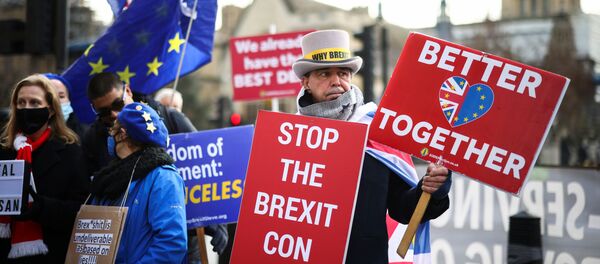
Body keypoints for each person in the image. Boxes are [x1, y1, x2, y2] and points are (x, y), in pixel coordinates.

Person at [291, 30, 452, 263]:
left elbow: (402, 209)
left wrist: (432, 190)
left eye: (343, 73)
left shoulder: (376, 129)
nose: (336, 81)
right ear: (306, 82)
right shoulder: (287, 136)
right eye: (325, 74)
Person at [83, 72, 228, 261]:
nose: (113, 116)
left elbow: (204, 168)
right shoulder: (99, 159)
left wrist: (217, 220)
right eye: (104, 114)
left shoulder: (163, 176)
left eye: (117, 106)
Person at [0, 74, 89, 263]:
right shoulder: (4, 151)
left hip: (51, 254)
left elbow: (81, 209)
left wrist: (42, 208)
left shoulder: (69, 152)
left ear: (50, 110)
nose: (26, 108)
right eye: (21, 102)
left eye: (34, 103)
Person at [88, 102, 187, 262]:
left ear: (122, 134)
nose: (110, 134)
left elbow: (171, 243)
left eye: (113, 128)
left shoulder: (164, 178)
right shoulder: (108, 177)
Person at [43, 73, 88, 140]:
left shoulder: (85, 135)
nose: (56, 101)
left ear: (69, 100)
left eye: (61, 96)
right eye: (50, 96)